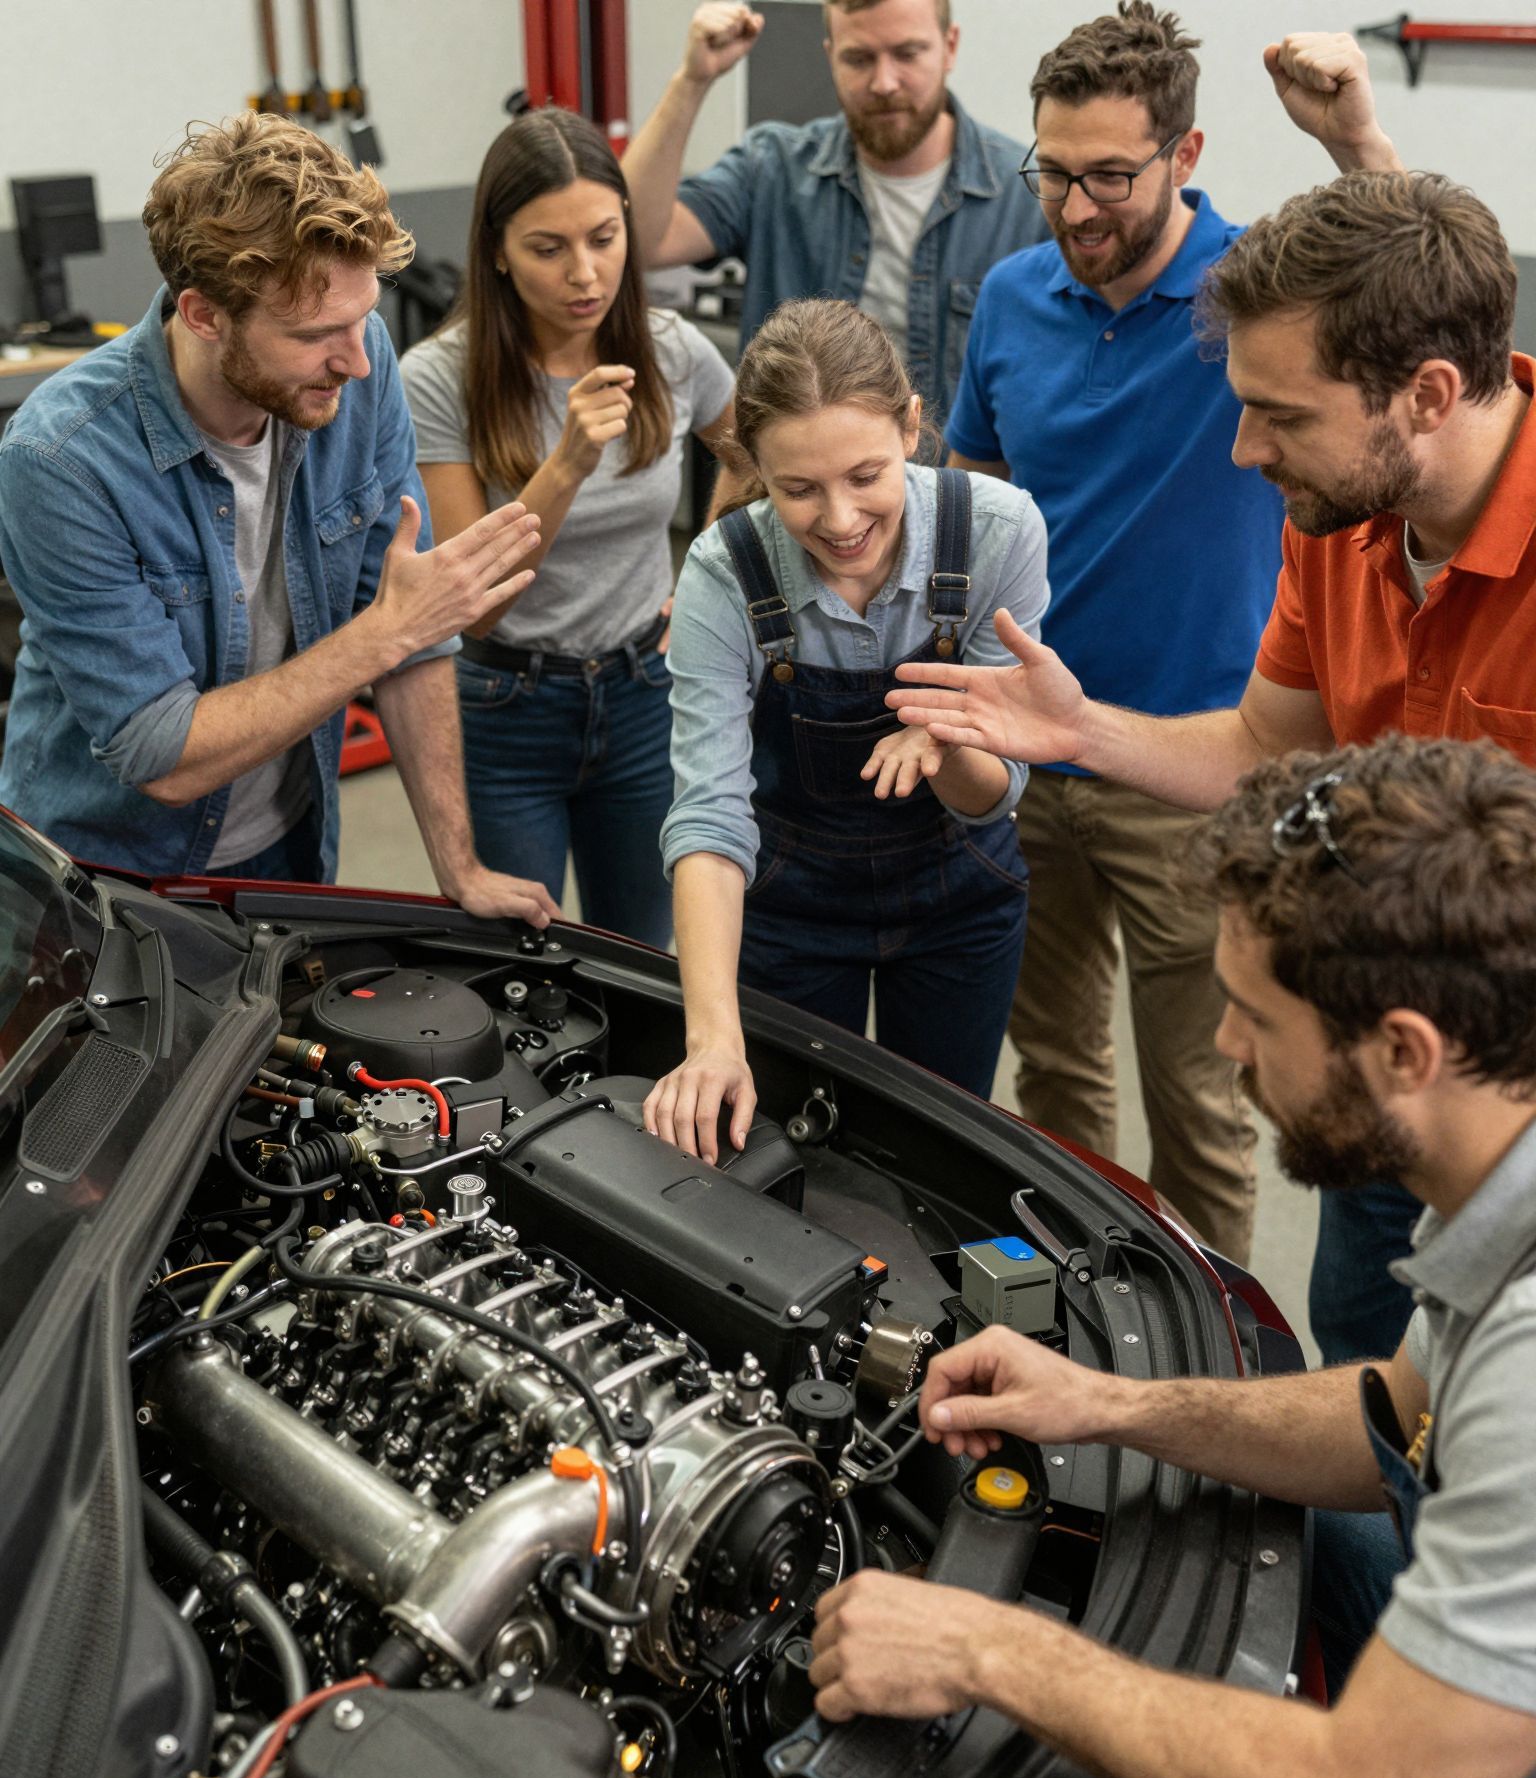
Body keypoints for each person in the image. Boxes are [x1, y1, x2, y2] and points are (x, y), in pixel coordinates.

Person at [810, 734, 1536, 1778]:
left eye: (1256, 1017)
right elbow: (1398, 1412)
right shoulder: (1502, 1163)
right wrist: (1107, 1405)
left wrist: (989, 1649)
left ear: (1407, 1049)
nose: (1224, 1045)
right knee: (1296, 1514)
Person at [891, 165, 1535, 1363]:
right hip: (1392, 1076)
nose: (1244, 450)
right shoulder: (1339, 522)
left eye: (1282, 414)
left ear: (1430, 395)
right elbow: (1262, 749)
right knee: (1359, 1357)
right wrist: (1083, 731)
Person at [946, 14, 1400, 1266]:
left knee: (1205, 1103)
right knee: (1054, 1071)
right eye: (1053, 171)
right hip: (1030, 763)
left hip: (1197, 771)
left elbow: (1428, 280)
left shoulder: (1258, 291)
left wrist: (1354, 135)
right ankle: (1091, 1308)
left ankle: (1214, 1356)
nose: (1077, 206)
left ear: (1184, 151)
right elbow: (973, 492)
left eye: (1110, 176)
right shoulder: (1009, 293)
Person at [0, 114, 554, 919]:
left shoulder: (359, 374)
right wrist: (390, 630)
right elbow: (162, 752)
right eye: (317, 334)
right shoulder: (62, 459)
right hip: (105, 882)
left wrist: (458, 868)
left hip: (287, 850)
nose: (358, 360)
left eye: (363, 318)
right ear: (203, 315)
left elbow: (412, 639)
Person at [643, 298, 1044, 1162]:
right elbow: (710, 818)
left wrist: (944, 738)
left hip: (957, 898)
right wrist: (712, 1037)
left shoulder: (999, 532)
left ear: (910, 427)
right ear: (753, 465)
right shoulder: (723, 570)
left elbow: (995, 794)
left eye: (865, 476)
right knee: (788, 1156)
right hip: (791, 907)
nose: (839, 519)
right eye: (797, 489)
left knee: (938, 1152)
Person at [400, 111, 735, 949]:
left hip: (644, 695)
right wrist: (567, 463)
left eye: (605, 237)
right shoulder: (438, 377)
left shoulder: (673, 350)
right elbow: (469, 607)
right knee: (525, 957)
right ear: (498, 250)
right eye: (549, 248)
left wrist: (703, 578)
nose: (586, 273)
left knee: (652, 950)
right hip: (504, 705)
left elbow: (756, 452)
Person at [622, 0, 1045, 438]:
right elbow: (636, 240)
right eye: (858, 59)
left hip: (952, 496)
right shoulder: (774, 168)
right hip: (793, 491)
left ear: (949, 47)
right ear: (830, 56)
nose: (883, 82)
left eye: (907, 53)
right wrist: (693, 79)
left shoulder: (1028, 197)